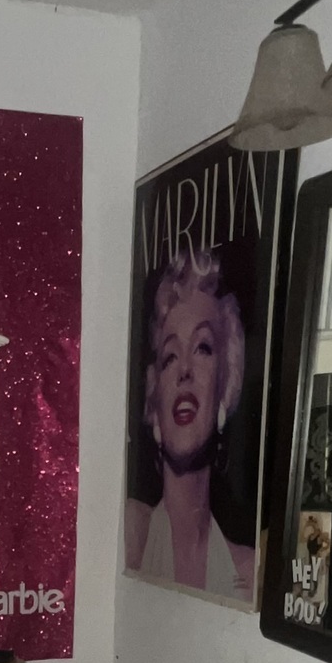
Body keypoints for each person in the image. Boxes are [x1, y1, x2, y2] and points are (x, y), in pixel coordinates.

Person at [124, 247, 254, 598]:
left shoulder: (249, 572)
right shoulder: (131, 532)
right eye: (169, 356)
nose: (184, 371)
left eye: (202, 348)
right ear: (154, 406)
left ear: (226, 387)